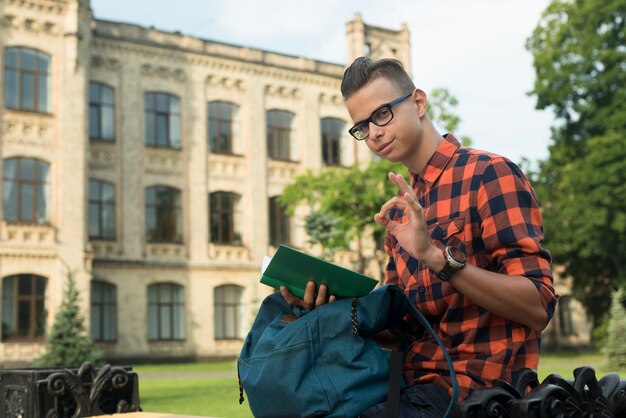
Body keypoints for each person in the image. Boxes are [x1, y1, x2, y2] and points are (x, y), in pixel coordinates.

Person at [281, 57, 557, 417]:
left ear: (418, 102)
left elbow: (538, 307)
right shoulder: (398, 213)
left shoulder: (490, 175)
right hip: (406, 385)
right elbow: (405, 328)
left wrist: (437, 258)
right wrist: (331, 308)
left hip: (478, 392)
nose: (374, 133)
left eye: (382, 114)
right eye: (362, 126)